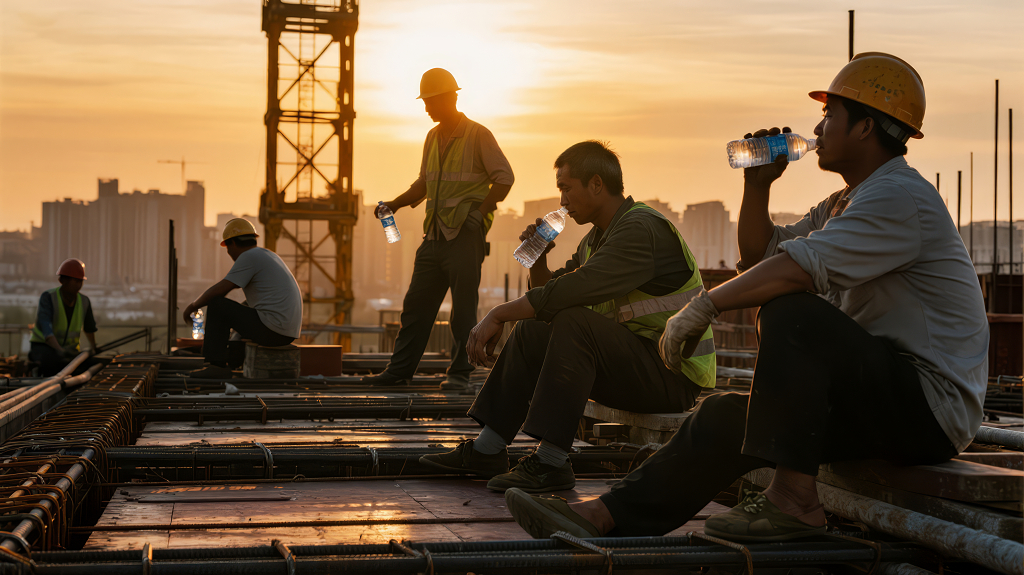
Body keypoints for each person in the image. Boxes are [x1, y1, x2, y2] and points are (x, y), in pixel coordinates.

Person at [503, 53, 988, 542]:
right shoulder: (844, 202)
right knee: (725, 415)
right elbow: (762, 259)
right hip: (876, 399)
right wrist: (756, 187)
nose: (817, 129)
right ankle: (603, 518)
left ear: (865, 127)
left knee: (794, 311)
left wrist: (705, 305)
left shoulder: (899, 196)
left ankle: (794, 501)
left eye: (829, 115)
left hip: (928, 408)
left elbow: (793, 272)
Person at [419, 141, 716, 493]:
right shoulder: (595, 240)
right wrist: (539, 260)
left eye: (566, 187)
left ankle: (551, 462)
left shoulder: (641, 228)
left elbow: (574, 290)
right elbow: (551, 297)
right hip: (632, 366)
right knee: (534, 327)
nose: (562, 201)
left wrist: (499, 314)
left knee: (573, 320)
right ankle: (487, 449)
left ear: (596, 184)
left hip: (670, 376)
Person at [361, 68, 514, 391]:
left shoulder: (478, 135)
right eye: (425, 102)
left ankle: (460, 373)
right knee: (415, 308)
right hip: (433, 237)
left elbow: (504, 178)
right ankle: (399, 372)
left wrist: (479, 212)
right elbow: (424, 183)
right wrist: (395, 204)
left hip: (464, 237)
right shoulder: (432, 138)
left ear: (451, 99)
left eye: (431, 102)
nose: (427, 108)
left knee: (463, 313)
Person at [183, 218, 302, 379]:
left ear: (232, 243)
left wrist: (193, 306)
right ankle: (233, 360)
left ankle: (215, 366)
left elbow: (221, 289)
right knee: (242, 308)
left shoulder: (249, 257)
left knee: (218, 305)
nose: (229, 253)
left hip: (273, 330)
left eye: (227, 248)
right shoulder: (267, 255)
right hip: (286, 332)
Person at [29, 258, 102, 376]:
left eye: (80, 281)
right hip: (44, 348)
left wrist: (94, 348)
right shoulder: (49, 297)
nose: (79, 284)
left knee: (92, 364)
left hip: (69, 351)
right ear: (62, 281)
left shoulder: (84, 301)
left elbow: (89, 329)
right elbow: (47, 331)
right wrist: (60, 351)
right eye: (76, 281)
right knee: (53, 363)